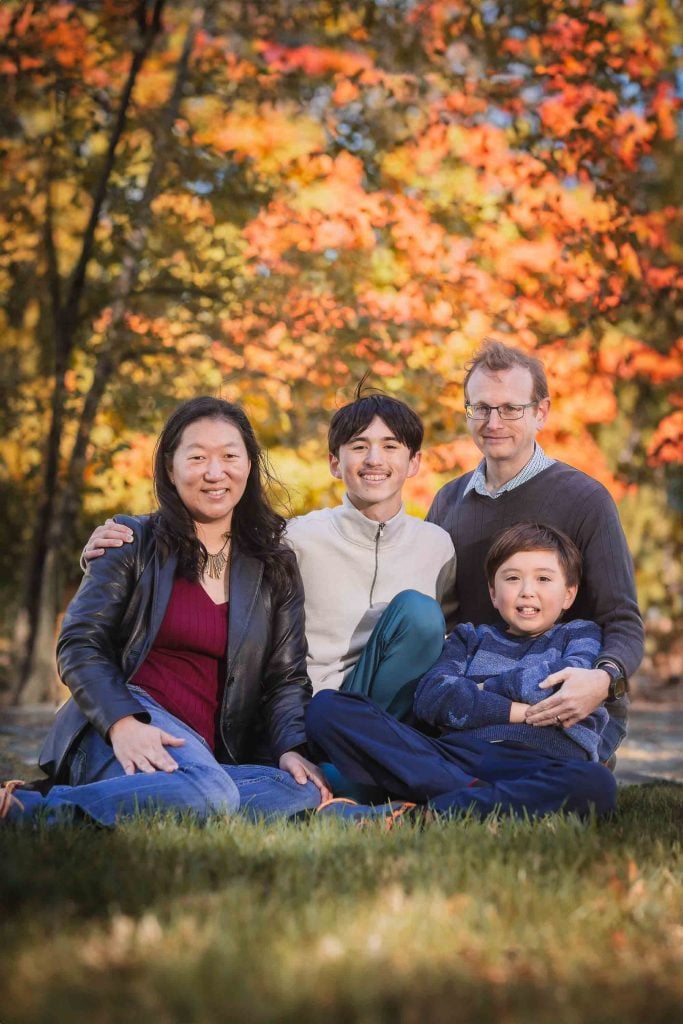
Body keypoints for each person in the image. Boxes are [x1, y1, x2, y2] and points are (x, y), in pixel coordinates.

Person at [1, 397, 330, 826]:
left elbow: (285, 678)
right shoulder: (130, 541)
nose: (215, 472)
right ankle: (28, 813)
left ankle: (155, 796)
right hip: (125, 719)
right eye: (197, 458)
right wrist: (123, 723)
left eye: (230, 456)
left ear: (249, 465)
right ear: (170, 470)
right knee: (210, 791)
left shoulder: (274, 565)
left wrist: (290, 748)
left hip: (206, 754)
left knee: (297, 789)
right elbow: (80, 643)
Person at [81, 390, 457, 724]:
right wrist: (120, 543)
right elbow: (213, 536)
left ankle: (376, 765)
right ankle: (369, 773)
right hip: (317, 712)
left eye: (391, 446)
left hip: (392, 716)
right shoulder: (293, 539)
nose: (374, 459)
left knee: (420, 614)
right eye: (359, 446)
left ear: (414, 463)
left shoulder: (437, 546)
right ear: (334, 463)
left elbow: (450, 634)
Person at [305, 522, 619, 821]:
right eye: (512, 579)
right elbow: (432, 699)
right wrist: (523, 711)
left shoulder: (581, 634)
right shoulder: (469, 637)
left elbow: (561, 684)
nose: (527, 591)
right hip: (456, 756)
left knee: (596, 784)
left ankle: (426, 811)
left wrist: (481, 690)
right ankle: (475, 797)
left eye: (543, 579)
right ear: (493, 594)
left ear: (569, 594)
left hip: (542, 762)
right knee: (326, 707)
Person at [426, 339, 642, 763]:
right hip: (477, 695)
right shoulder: (447, 502)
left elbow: (622, 620)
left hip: (560, 695)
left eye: (511, 408)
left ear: (540, 412)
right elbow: (441, 619)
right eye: (481, 408)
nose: (493, 421)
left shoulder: (585, 499)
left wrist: (604, 680)